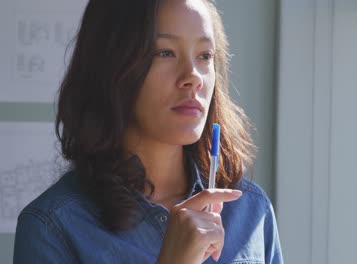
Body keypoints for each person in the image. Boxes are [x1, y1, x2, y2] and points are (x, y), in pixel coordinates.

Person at [13, 0, 283, 263]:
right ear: (111, 66)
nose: (193, 76)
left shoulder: (251, 210)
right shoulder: (52, 228)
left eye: (204, 56)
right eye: (165, 52)